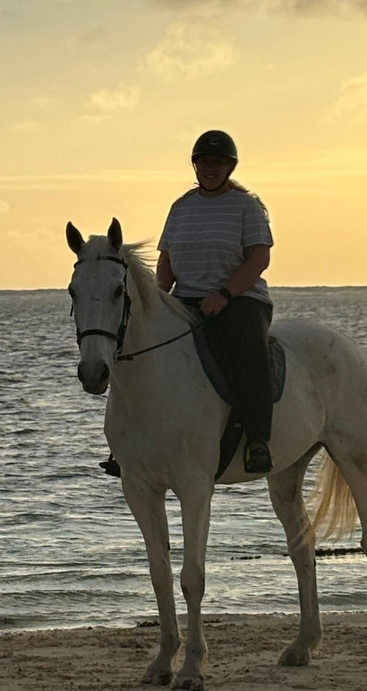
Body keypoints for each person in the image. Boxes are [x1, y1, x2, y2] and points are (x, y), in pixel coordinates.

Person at [156, 129, 275, 474]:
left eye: (217, 163)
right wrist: (158, 299)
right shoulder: (181, 207)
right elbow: (167, 259)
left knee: (250, 353)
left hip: (240, 297)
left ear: (230, 167)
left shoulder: (245, 207)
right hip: (185, 298)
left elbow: (259, 258)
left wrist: (224, 294)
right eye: (204, 162)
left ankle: (257, 440)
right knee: (140, 350)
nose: (210, 169)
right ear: (195, 165)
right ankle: (132, 442)